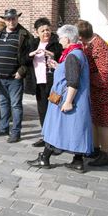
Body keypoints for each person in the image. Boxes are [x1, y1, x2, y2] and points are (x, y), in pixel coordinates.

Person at [27, 24, 93, 173]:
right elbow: (71, 74)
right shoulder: (76, 53)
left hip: (66, 100)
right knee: (76, 130)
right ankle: (77, 161)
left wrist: (68, 102)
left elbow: (73, 81)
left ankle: (44, 158)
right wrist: (58, 67)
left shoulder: (72, 56)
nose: (59, 40)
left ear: (68, 38)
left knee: (55, 128)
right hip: (76, 100)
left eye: (61, 37)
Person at [77, 20, 108, 167]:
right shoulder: (89, 42)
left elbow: (104, 73)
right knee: (95, 120)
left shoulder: (99, 46)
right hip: (97, 89)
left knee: (104, 122)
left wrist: (85, 79)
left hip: (107, 89)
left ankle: (105, 155)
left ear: (81, 36)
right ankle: (95, 149)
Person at [0, 8, 32, 143]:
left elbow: (29, 56)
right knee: (4, 104)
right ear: (5, 21)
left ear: (17, 19)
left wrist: (21, 71)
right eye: (8, 19)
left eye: (13, 18)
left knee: (16, 105)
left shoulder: (24, 35)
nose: (11, 21)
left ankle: (15, 132)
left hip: (14, 78)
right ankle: (3, 128)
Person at [27, 17, 63, 147]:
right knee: (42, 111)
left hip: (53, 84)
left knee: (54, 110)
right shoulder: (33, 43)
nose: (46, 33)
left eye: (48, 30)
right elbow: (24, 59)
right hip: (39, 83)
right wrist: (32, 54)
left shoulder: (56, 42)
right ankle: (45, 137)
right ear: (37, 32)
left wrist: (51, 54)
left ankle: (56, 139)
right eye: (42, 31)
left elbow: (61, 57)